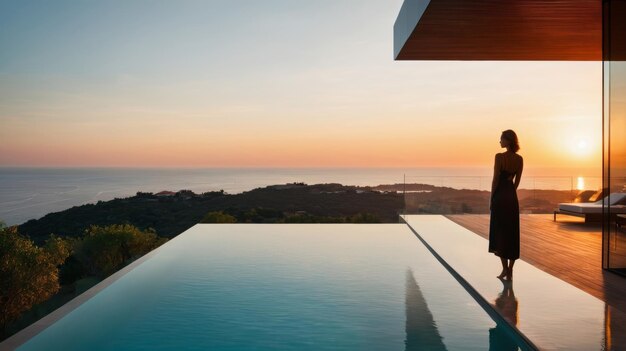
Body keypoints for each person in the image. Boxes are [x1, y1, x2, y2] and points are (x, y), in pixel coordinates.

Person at [489, 129, 523, 281]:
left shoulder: (499, 157)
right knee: (512, 232)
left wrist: (492, 197)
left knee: (500, 232)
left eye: (501, 139)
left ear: (508, 140)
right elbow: (517, 182)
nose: (500, 141)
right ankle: (510, 270)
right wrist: (510, 192)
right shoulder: (519, 159)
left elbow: (496, 179)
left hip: (500, 196)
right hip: (511, 196)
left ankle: (504, 269)